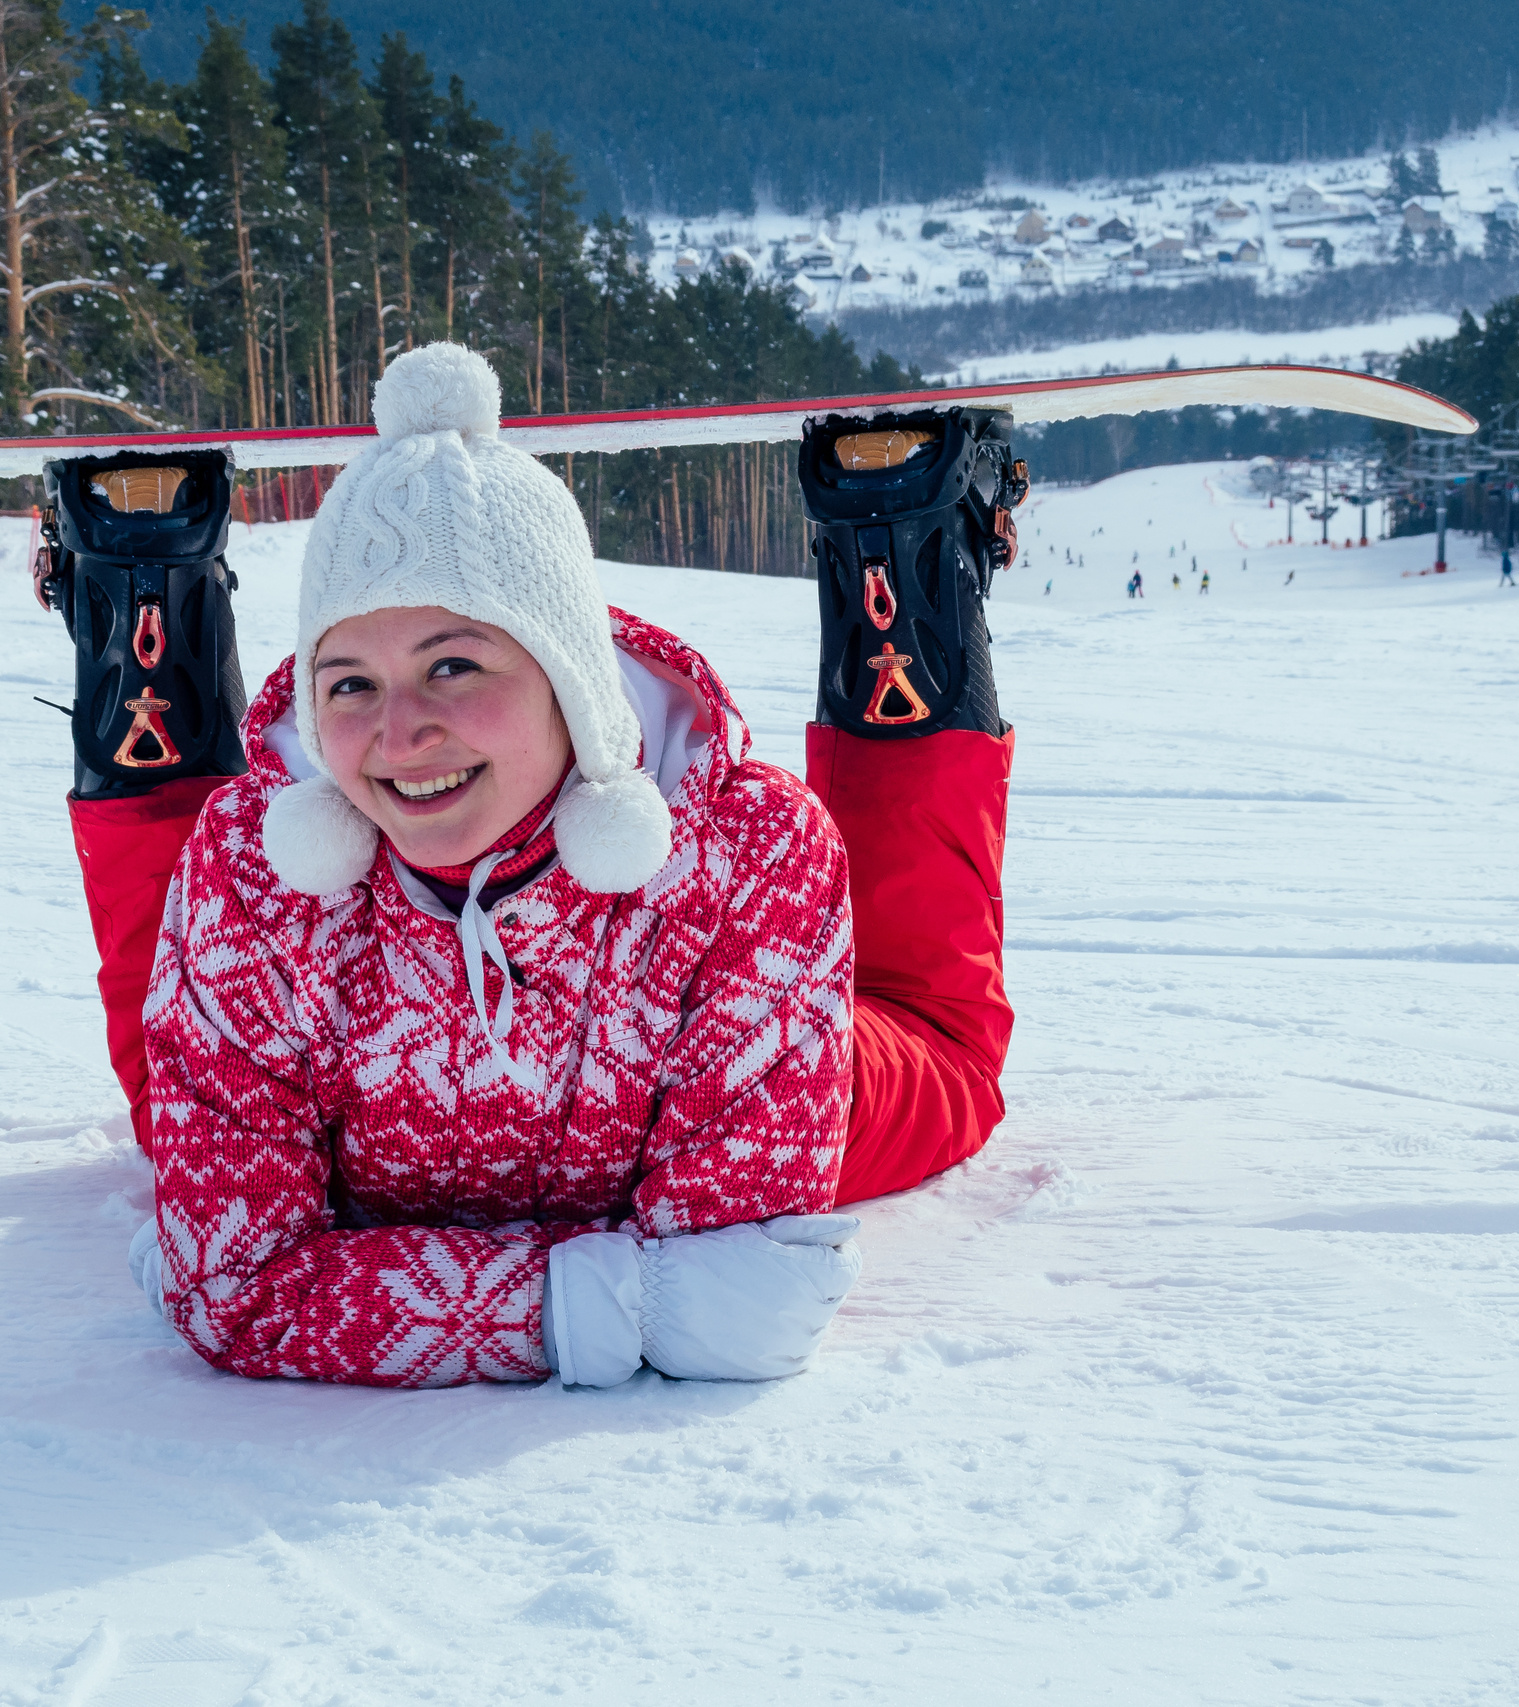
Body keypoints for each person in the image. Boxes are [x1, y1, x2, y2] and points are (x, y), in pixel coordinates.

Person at [58, 345, 1018, 1391]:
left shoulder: (743, 844)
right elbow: (235, 1288)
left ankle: (908, 583)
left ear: (571, 676)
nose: (399, 732)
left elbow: (743, 1299)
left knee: (932, 1062)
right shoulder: (254, 861)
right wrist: (613, 1301)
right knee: (177, 1084)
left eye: (454, 664)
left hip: (608, 1086)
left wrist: (327, 1278)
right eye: (347, 684)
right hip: (603, 1143)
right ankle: (143, 610)